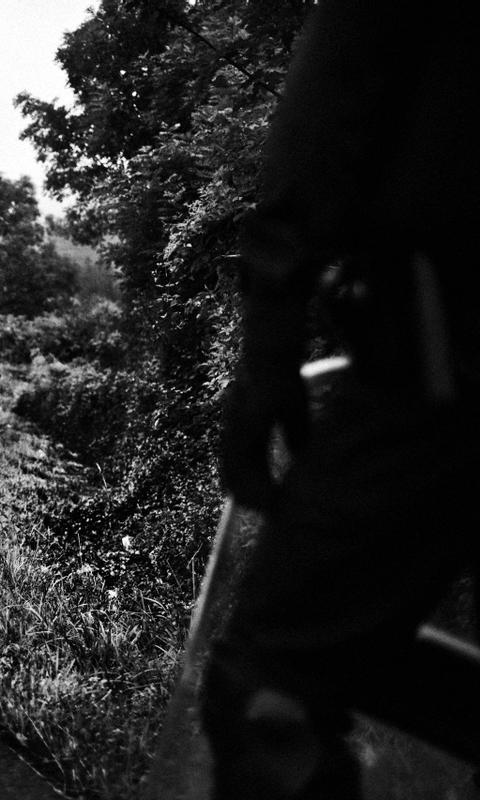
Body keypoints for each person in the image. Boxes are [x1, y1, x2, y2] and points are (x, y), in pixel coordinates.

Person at [203, 2, 480, 798]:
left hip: (442, 366)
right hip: (438, 351)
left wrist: (271, 338)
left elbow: (337, 88)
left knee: (272, 695)